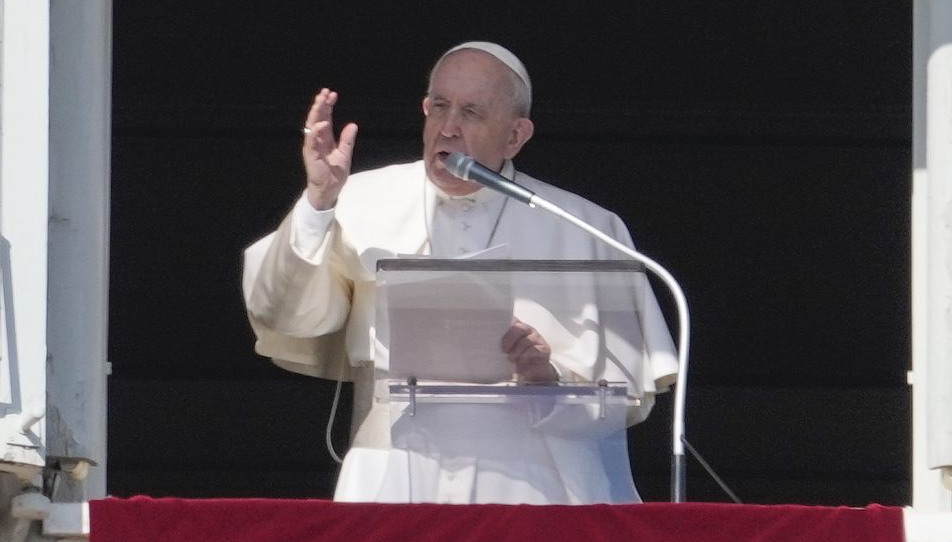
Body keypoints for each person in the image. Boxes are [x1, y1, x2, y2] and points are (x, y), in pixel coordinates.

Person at [242, 42, 677, 504]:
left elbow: (625, 401)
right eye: (440, 106)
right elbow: (288, 316)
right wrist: (318, 202)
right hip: (393, 471)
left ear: (515, 136)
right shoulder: (355, 199)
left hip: (535, 484)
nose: (448, 128)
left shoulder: (584, 226)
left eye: (471, 112)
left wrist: (546, 379)